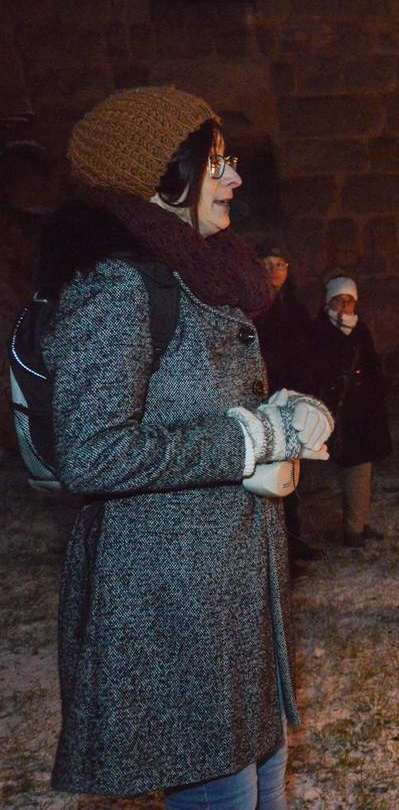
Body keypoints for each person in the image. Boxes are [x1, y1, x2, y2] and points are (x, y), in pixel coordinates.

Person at [44, 86, 334, 805]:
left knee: (263, 780)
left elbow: (190, 401)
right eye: (216, 163)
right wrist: (248, 436)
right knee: (223, 789)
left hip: (230, 590)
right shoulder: (116, 287)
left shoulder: (199, 274)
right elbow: (92, 451)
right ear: (159, 174)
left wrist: (276, 413)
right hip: (168, 598)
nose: (234, 178)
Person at [303, 276, 392, 549]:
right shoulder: (320, 331)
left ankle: (358, 523)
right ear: (329, 302)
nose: (344, 307)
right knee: (352, 465)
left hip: (363, 409)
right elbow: (316, 369)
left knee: (361, 466)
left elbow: (372, 366)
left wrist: (376, 398)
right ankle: (353, 527)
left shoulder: (360, 330)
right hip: (339, 411)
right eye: (339, 301)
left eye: (349, 301)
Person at [254, 246, 323, 564]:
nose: (274, 271)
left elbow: (307, 349)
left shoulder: (294, 307)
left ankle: (293, 541)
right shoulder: (254, 306)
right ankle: (273, 549)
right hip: (265, 398)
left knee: (293, 473)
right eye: (267, 264)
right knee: (268, 475)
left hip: (292, 396)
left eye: (280, 264)